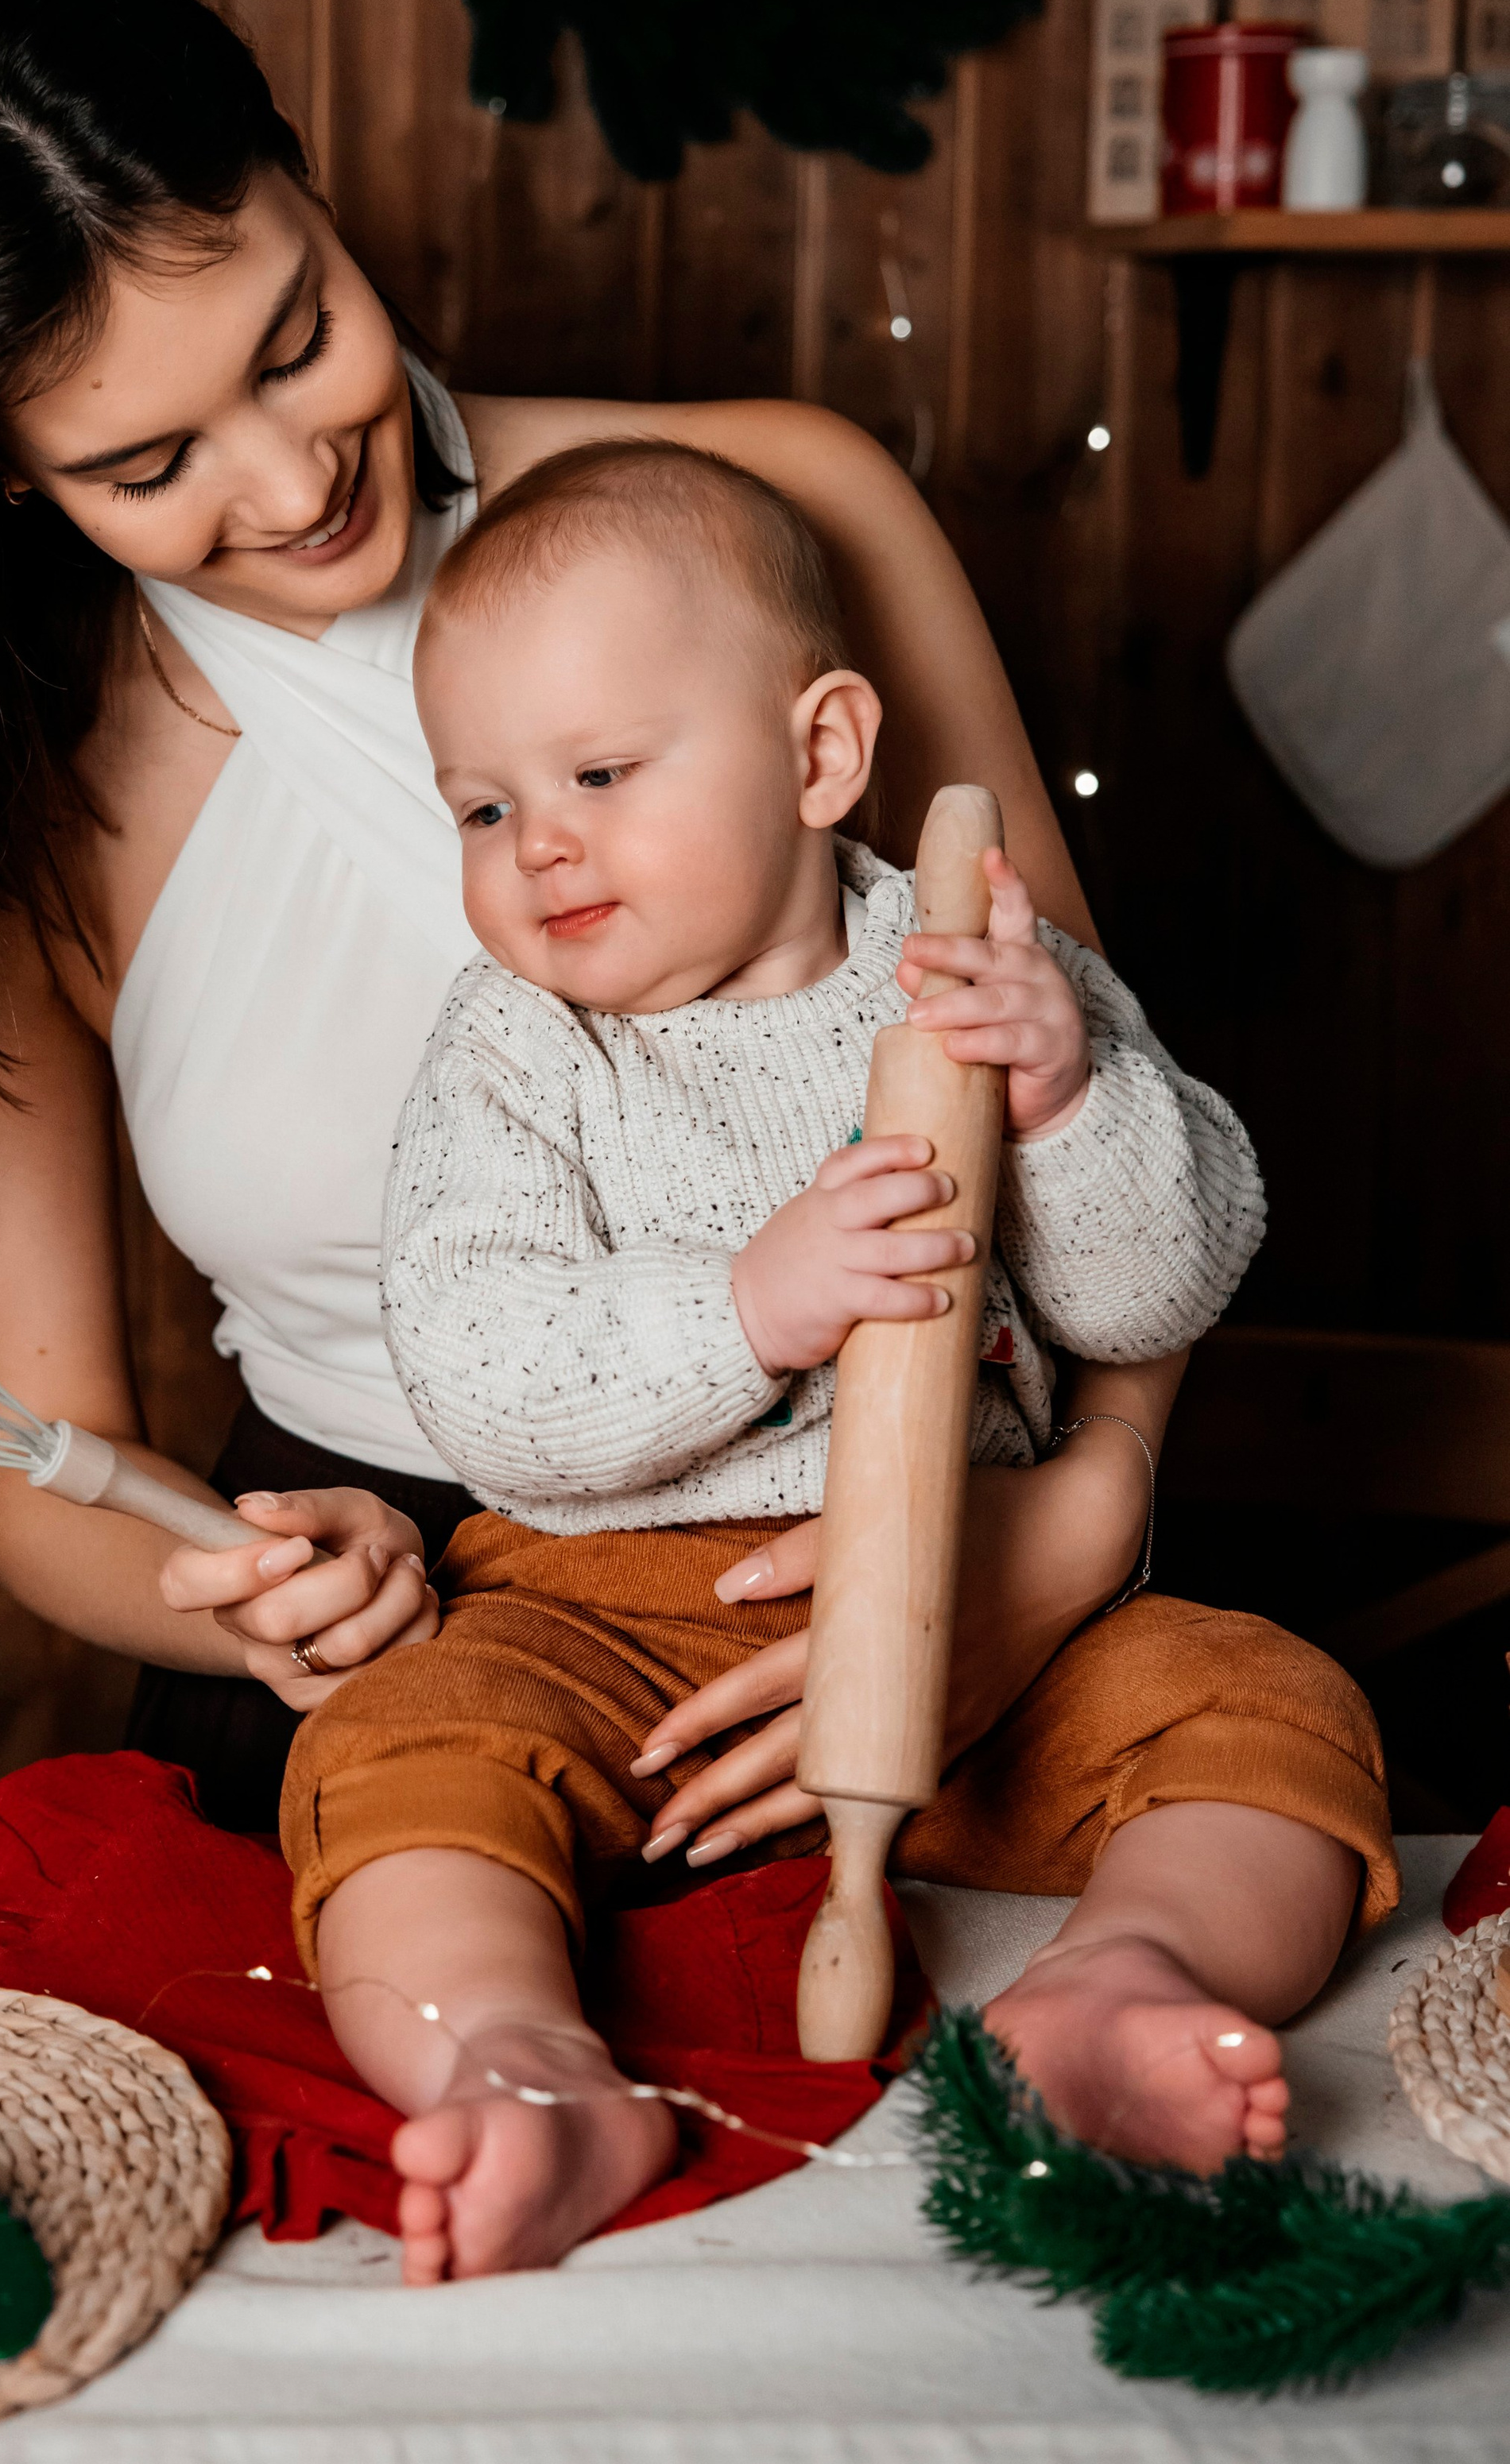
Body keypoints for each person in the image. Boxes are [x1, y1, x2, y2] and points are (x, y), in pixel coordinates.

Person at [0, 0, 1171, 1870]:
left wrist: (1062, 1530)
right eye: (150, 459)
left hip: (926, 1518)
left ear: (306, 177)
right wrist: (235, 1593)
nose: (293, 477)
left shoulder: (784, 508)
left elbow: (1099, 1109)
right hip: (395, 1654)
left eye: (296, 333)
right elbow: (32, 1452)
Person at [288, 439, 1392, 2284]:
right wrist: (743, 1308)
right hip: (605, 1615)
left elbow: (1161, 1288)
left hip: (981, 1604)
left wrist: (1067, 1101)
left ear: (817, 756)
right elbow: (475, 1368)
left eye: (598, 775)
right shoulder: (513, 1050)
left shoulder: (974, 972)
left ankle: (1121, 1986)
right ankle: (518, 2053)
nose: (535, 842)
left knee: (1268, 1706)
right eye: (477, 809)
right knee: (390, 1746)